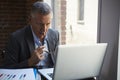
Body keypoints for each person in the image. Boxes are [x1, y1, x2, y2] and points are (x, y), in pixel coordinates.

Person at [3, 1, 59, 69]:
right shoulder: (15, 38)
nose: (44, 29)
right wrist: (29, 62)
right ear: (30, 20)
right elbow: (7, 68)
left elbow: (57, 61)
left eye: (48, 24)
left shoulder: (55, 35)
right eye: (40, 24)